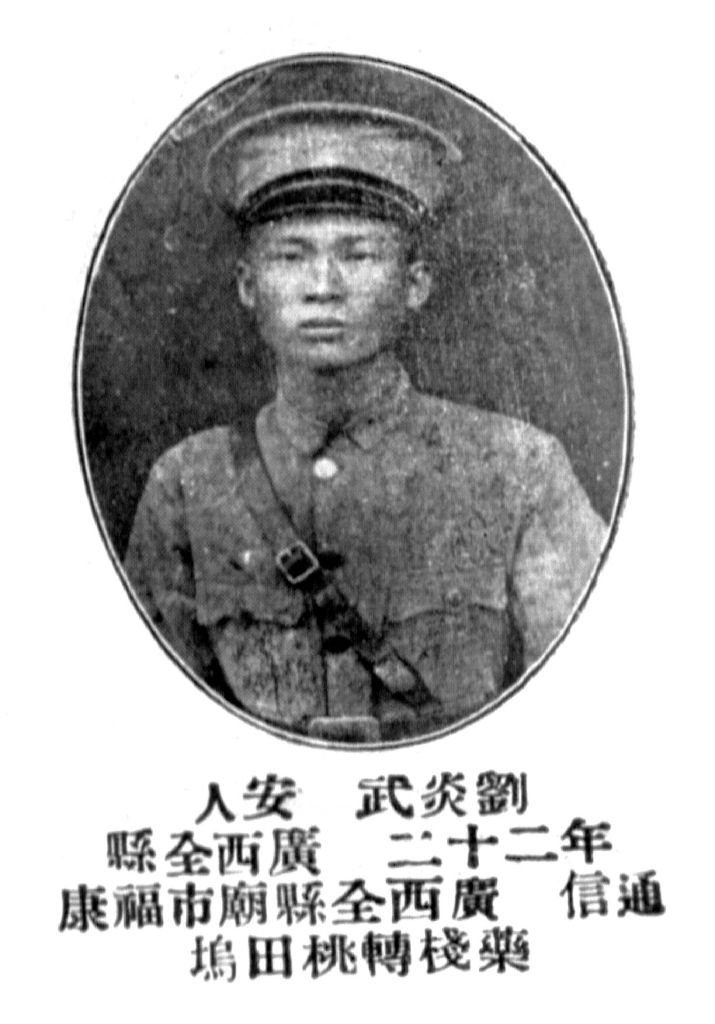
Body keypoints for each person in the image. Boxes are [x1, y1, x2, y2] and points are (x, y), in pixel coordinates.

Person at [124, 102, 607, 743]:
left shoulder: (518, 468)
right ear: (247, 285)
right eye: (291, 256)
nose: (323, 286)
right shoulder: (187, 484)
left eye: (359, 254)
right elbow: (150, 729)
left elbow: (592, 699)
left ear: (415, 284)